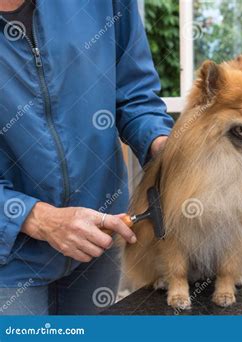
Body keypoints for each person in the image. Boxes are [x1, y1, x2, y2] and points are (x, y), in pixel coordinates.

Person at [0, 0, 173, 314]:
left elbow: (134, 93)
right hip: (9, 259)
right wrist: (34, 217)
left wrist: (162, 146)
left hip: (100, 236)